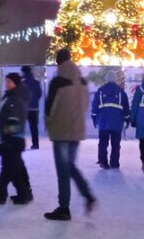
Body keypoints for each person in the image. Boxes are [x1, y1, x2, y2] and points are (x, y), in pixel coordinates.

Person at [44, 49, 95, 222]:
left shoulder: (57, 82)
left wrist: (50, 125)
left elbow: (50, 109)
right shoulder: (82, 81)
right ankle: (87, 195)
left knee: (63, 170)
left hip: (60, 131)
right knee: (70, 166)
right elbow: (85, 105)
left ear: (58, 62)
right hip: (76, 130)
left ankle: (64, 208)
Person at [0, 71, 33, 205]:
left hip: (13, 139)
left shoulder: (15, 98)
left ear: (15, 83)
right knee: (15, 168)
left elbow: (15, 120)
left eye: (9, 82)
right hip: (12, 139)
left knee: (8, 169)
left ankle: (3, 194)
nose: (6, 84)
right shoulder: (12, 96)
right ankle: (23, 193)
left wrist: (8, 137)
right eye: (6, 81)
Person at [91, 70, 129, 170]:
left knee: (103, 143)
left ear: (106, 79)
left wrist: (94, 119)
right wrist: (127, 119)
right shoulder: (121, 92)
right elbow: (126, 108)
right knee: (115, 144)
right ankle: (114, 162)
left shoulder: (100, 91)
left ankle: (103, 161)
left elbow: (94, 107)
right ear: (115, 79)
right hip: (117, 122)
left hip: (103, 122)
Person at [21, 65, 43, 149]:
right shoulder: (36, 82)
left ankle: (20, 144)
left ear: (23, 72)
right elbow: (39, 94)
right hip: (34, 108)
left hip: (24, 108)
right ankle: (35, 144)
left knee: (21, 127)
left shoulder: (22, 83)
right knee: (34, 127)